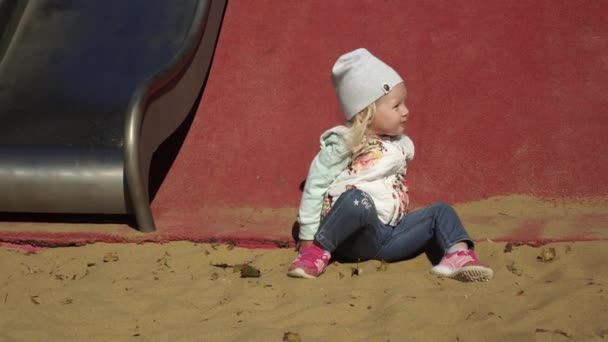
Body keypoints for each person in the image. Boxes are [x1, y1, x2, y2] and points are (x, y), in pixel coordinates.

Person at [287, 48, 494, 282]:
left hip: (390, 239)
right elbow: (316, 185)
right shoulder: (346, 142)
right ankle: (316, 253)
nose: (406, 112)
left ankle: (457, 256)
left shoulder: (400, 145)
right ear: (366, 111)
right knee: (357, 201)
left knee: (441, 211)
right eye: (396, 106)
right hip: (350, 239)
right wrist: (307, 239)